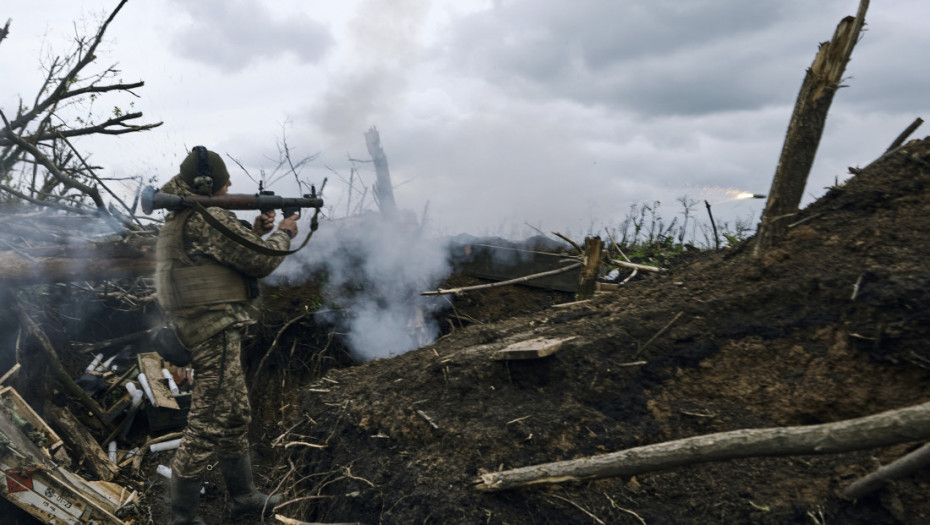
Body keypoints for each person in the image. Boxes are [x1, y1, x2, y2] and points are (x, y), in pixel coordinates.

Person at [154, 146, 298, 524]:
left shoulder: (185, 215)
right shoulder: (207, 216)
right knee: (206, 426)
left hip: (205, 327)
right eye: (224, 180)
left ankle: (244, 498)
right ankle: (182, 517)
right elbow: (259, 261)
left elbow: (223, 258)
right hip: (212, 331)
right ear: (206, 183)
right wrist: (284, 233)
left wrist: (254, 231)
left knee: (234, 415)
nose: (231, 184)